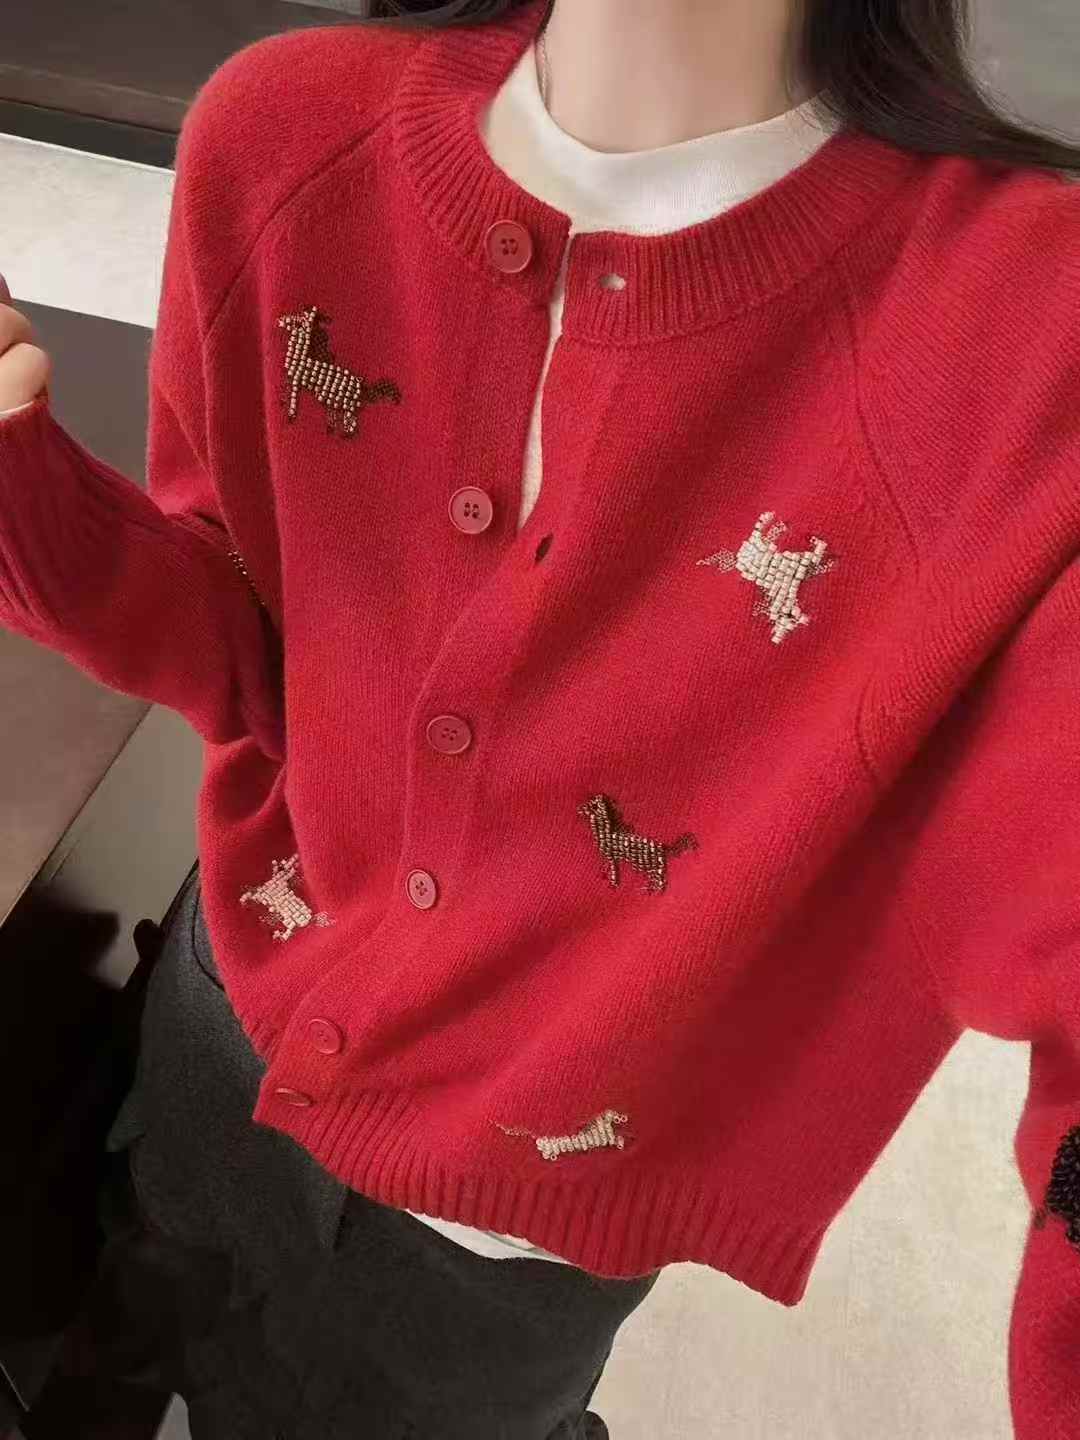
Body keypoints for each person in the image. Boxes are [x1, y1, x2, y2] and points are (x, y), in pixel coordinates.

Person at [1, 0, 1078, 1434]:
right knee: (117, 1332)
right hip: (227, 1011)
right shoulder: (282, 133)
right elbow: (244, 637)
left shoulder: (1027, 330)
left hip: (505, 1235)